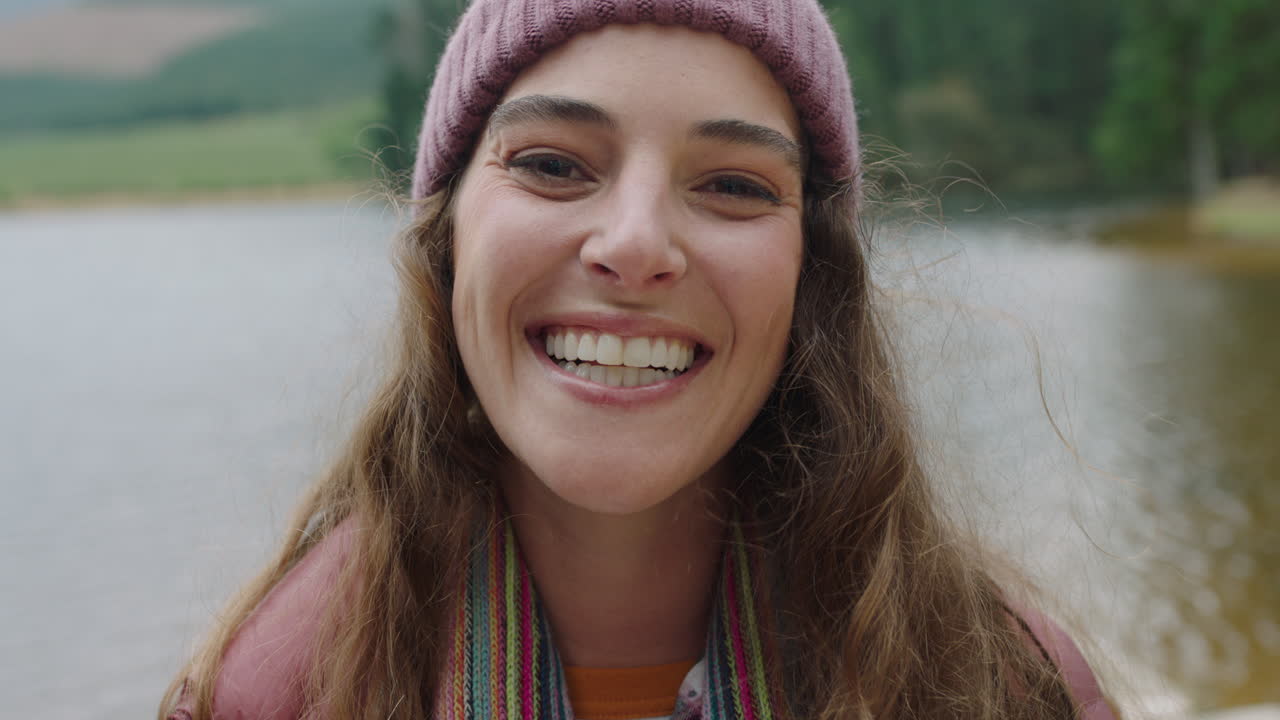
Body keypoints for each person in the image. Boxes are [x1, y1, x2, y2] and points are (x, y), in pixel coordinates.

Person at [161, 1, 1117, 719]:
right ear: (447, 238)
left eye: (734, 184)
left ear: (813, 273)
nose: (635, 244)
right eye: (551, 164)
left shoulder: (1006, 688)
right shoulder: (270, 696)